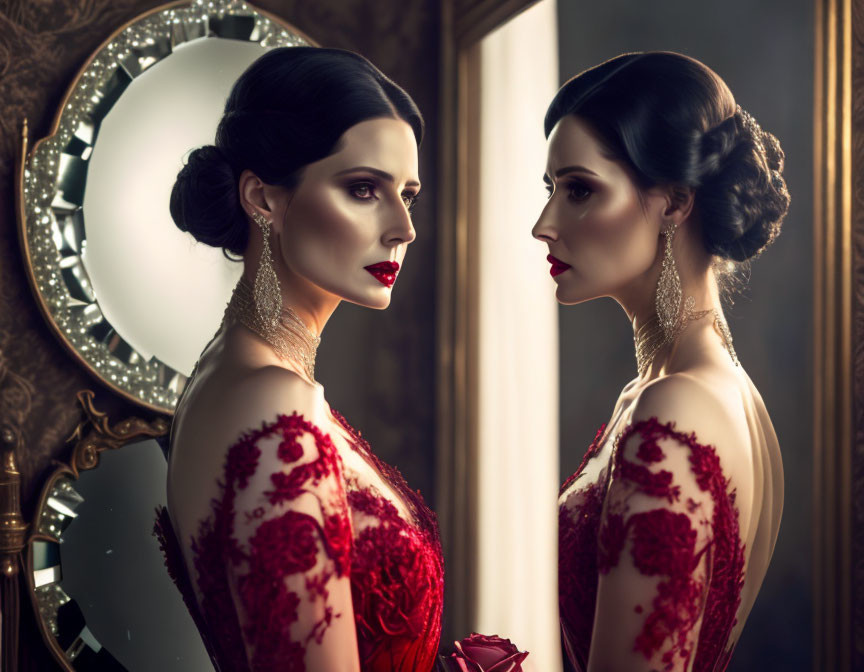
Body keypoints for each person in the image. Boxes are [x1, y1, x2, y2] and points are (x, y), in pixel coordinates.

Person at [153, 46, 443, 672]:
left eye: (408, 195)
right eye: (364, 189)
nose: (403, 228)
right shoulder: (270, 398)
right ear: (263, 198)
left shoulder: (232, 376)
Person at [534, 52, 787, 672]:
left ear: (675, 202)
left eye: (580, 190)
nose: (545, 225)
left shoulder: (679, 405)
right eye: (552, 191)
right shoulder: (713, 392)